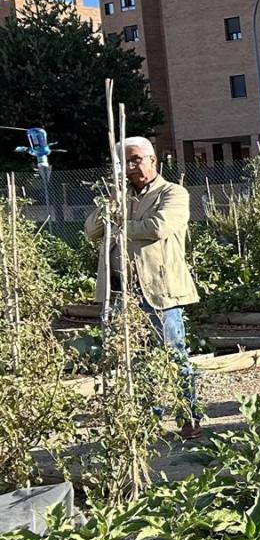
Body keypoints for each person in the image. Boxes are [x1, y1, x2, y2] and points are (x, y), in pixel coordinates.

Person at [84, 136, 202, 438]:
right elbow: (91, 231)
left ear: (153, 160)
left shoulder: (172, 193)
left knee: (172, 355)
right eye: (124, 162)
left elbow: (157, 227)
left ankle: (188, 415)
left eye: (136, 159)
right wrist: (112, 202)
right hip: (120, 292)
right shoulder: (121, 198)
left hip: (158, 290)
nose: (130, 167)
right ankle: (148, 419)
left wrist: (119, 226)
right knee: (135, 359)